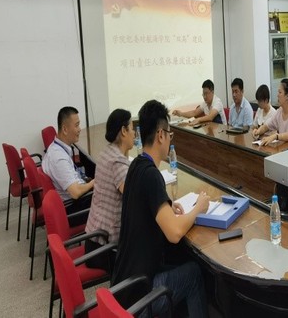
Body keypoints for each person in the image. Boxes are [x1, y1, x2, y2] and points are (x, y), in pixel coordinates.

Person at [112, 100, 210, 318]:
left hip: (124, 283)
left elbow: (144, 202)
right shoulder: (151, 175)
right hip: (139, 296)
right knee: (193, 273)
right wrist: (198, 208)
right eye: (170, 134)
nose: (170, 139)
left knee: (180, 262)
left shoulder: (136, 164)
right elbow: (174, 233)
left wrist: (167, 205)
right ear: (160, 135)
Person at [84, 109, 134, 271]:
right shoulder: (117, 162)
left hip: (93, 240)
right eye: (132, 129)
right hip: (105, 249)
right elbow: (135, 198)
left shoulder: (106, 153)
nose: (134, 133)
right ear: (124, 131)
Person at [42, 106, 94, 222]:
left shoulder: (57, 148)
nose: (79, 129)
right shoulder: (58, 157)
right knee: (112, 198)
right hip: (72, 209)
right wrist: (93, 183)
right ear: (65, 129)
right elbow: (75, 192)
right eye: (76, 125)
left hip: (74, 201)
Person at [252, 79, 288, 145]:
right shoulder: (279, 111)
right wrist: (258, 131)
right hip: (283, 148)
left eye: (280, 92)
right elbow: (267, 126)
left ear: (287, 96)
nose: (277, 95)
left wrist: (276, 136)